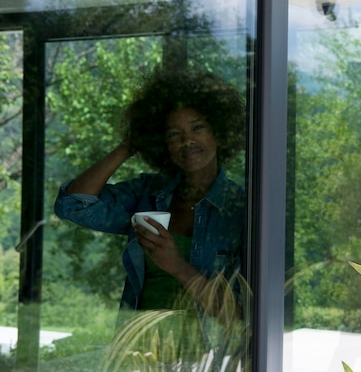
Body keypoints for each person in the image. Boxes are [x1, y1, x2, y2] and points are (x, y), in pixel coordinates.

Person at [53, 67, 247, 363]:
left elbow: (238, 315)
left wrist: (176, 265)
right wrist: (129, 145)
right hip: (137, 357)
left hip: (204, 361)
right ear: (163, 144)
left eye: (198, 128)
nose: (187, 141)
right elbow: (73, 205)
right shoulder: (147, 193)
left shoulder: (240, 209)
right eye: (174, 134)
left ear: (218, 131)